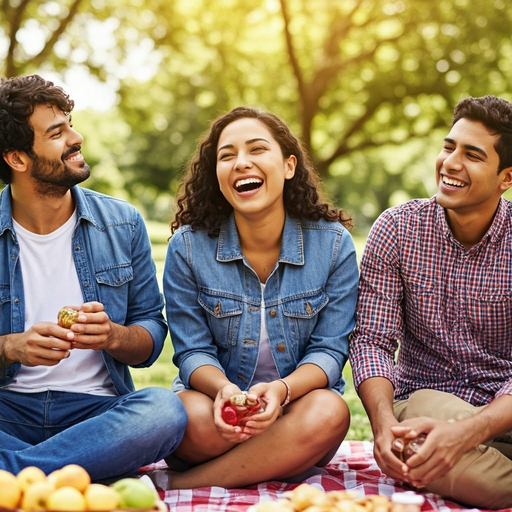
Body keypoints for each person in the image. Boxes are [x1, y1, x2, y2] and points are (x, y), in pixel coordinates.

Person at [0, 74, 187, 482]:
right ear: (17, 159)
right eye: (57, 132)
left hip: (95, 413)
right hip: (6, 412)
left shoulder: (123, 223)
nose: (76, 136)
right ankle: (66, 471)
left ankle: (16, 477)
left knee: (165, 410)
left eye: (70, 123)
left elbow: (151, 338)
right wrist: (11, 347)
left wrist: (113, 337)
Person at [162, 106, 359, 489]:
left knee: (330, 411)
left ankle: (191, 484)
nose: (241, 163)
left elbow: (330, 352)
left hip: (297, 408)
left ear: (288, 166)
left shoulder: (334, 245)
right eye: (226, 155)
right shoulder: (188, 248)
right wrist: (225, 393)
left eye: (256, 149)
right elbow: (191, 352)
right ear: (215, 174)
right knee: (181, 415)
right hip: (217, 413)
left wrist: (282, 392)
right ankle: (276, 459)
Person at [350, 95, 512, 509]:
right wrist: (383, 425)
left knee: (433, 456)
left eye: (473, 155)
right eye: (448, 147)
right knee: (422, 436)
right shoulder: (397, 228)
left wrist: (472, 432)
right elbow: (371, 340)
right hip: (424, 402)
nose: (451, 163)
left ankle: (470, 464)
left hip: (505, 409)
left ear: (505, 177)